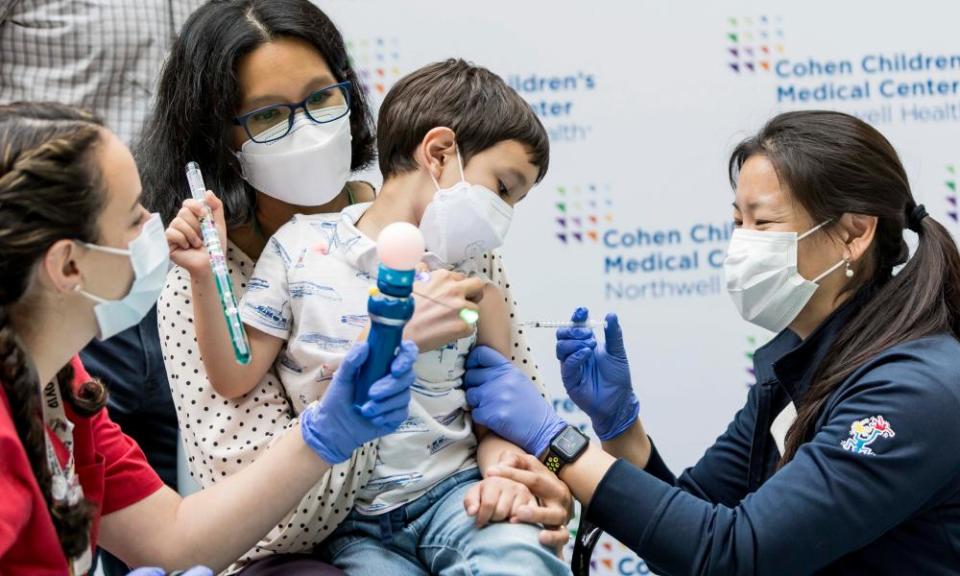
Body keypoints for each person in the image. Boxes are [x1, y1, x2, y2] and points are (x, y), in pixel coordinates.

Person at [141, 1, 554, 571]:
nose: (305, 127)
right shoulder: (221, 279)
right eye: (266, 115)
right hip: (320, 549)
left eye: (320, 98)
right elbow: (274, 524)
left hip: (459, 506)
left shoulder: (458, 239)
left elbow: (514, 408)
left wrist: (534, 478)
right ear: (219, 138)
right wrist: (383, 347)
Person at [462, 111, 960, 575]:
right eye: (738, 221)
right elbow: (687, 524)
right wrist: (619, 428)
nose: (742, 242)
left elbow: (733, 555)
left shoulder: (913, 390)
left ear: (855, 234)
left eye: (763, 223)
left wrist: (553, 441)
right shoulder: (800, 371)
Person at [0, 102, 418, 575]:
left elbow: (169, 539)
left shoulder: (61, 385)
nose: (153, 226)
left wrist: (322, 434)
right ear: (69, 266)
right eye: (133, 217)